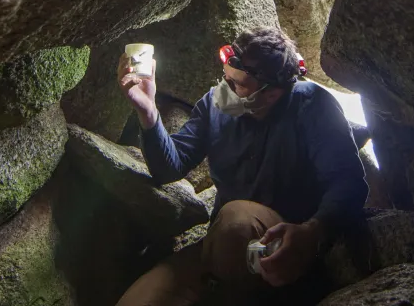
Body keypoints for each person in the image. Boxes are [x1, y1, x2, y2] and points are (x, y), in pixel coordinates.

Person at [115, 27, 368, 305]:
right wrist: (148, 111)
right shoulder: (216, 103)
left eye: (238, 85)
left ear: (272, 94)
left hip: (284, 247)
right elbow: (170, 167)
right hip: (222, 248)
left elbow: (349, 183)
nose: (227, 90)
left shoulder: (311, 105)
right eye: (226, 79)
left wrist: (312, 232)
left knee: (237, 222)